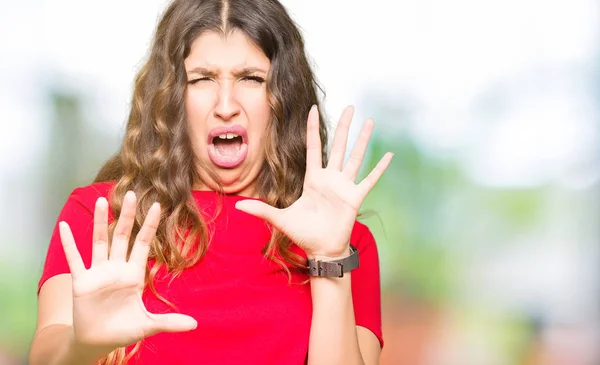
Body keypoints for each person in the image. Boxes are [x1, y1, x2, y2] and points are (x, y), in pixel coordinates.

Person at [29, 0, 393, 364]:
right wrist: (83, 344)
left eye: (251, 78)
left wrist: (328, 258)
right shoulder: (103, 216)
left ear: (282, 97)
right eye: (201, 79)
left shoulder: (344, 241)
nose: (225, 104)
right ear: (171, 97)